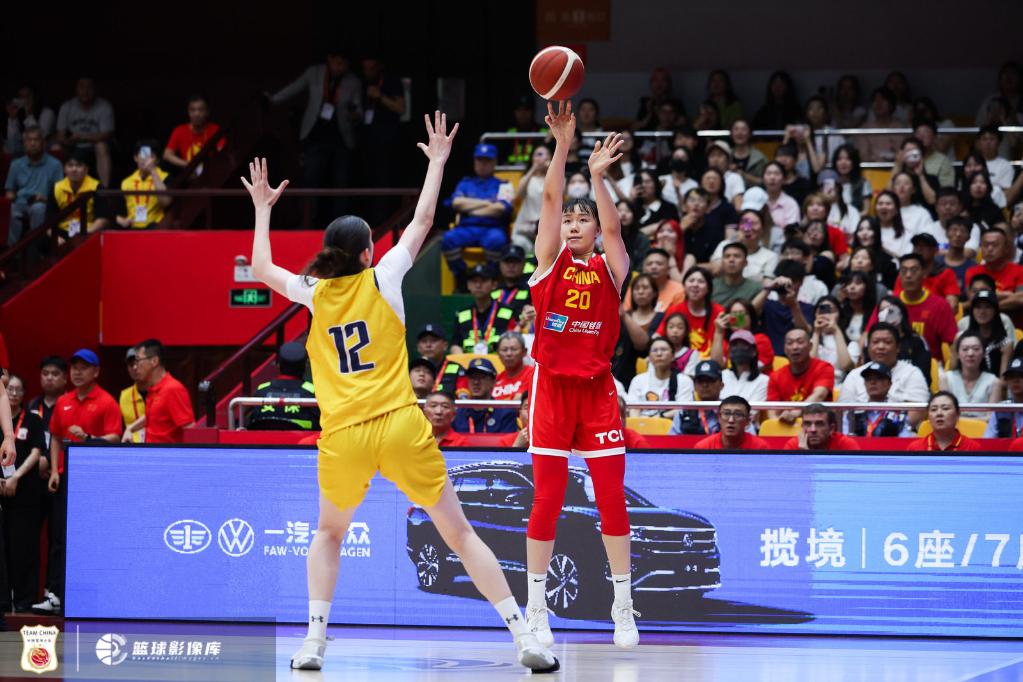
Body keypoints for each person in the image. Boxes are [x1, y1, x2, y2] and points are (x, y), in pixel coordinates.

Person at [244, 112, 557, 671]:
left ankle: (313, 642)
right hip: (399, 425)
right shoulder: (384, 275)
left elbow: (261, 265)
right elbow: (424, 218)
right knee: (460, 534)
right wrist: (437, 161)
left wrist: (263, 209)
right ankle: (524, 636)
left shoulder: (314, 292)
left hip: (344, 435)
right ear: (368, 252)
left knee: (329, 535)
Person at [524, 100, 638, 650]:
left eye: (581, 219)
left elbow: (614, 226)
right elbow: (549, 199)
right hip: (551, 390)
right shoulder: (548, 262)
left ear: (594, 228)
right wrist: (563, 146)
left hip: (596, 393)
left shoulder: (610, 267)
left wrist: (596, 178)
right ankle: (536, 607)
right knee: (546, 500)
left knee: (611, 498)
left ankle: (623, 604)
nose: (572, 224)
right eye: (568, 220)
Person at [41, 348, 122, 616]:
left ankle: (91, 593)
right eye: (74, 367)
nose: (77, 372)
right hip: (65, 477)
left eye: (83, 367)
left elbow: (115, 437)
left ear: (96, 372)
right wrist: (55, 470)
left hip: (94, 481)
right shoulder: (64, 401)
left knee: (89, 537)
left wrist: (88, 438)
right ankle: (54, 594)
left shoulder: (107, 402)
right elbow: (55, 437)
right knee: (59, 536)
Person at [269, 50, 362, 220]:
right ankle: (309, 221)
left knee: (341, 182)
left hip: (342, 139)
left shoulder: (353, 81)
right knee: (311, 179)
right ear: (330, 59)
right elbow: (295, 87)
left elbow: (359, 111)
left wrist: (354, 113)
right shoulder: (315, 73)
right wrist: (273, 99)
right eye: (338, 63)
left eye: (344, 64)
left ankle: (341, 223)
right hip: (315, 136)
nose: (340, 67)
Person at [2, 375, 44, 612]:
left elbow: (37, 452)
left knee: (24, 547)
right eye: (9, 389)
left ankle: (24, 601)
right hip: (1, 489)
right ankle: (3, 601)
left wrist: (15, 477)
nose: (14, 393)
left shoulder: (33, 419)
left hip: (25, 492)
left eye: (18, 390)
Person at [441, 143, 513, 282]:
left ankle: (490, 280)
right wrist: (487, 203)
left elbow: (500, 209)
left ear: (494, 162)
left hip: (492, 228)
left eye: (487, 160)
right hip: (467, 228)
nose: (483, 164)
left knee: (497, 240)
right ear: (474, 161)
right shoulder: (465, 183)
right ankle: (463, 278)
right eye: (479, 160)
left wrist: (469, 209)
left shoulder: (504, 185)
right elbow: (456, 203)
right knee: (448, 238)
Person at [839, 323, 930, 428]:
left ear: (898, 347)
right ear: (868, 347)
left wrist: (885, 430)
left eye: (887, 342)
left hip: (899, 434)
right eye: (875, 342)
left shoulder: (912, 373)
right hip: (859, 433)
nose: (881, 346)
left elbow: (916, 413)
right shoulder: (855, 375)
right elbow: (843, 413)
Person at [870, 254, 957, 363]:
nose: (908, 275)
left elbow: (952, 342)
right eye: (904, 271)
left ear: (924, 273)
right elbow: (870, 333)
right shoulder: (888, 304)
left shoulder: (940, 305)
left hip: (929, 365)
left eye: (914, 270)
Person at [121, 339, 194, 443]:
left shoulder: (172, 389)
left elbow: (190, 429)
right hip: (150, 451)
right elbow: (154, 416)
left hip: (165, 453)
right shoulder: (153, 389)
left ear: (154, 361)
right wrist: (131, 428)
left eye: (138, 360)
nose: (135, 367)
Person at [5, 126, 63, 244]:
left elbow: (60, 193)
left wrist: (45, 199)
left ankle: (36, 246)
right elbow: (9, 190)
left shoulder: (55, 164)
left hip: (43, 202)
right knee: (9, 209)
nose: (32, 143)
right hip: (20, 202)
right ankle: (13, 249)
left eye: (36, 140)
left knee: (38, 208)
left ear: (43, 143)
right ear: (24, 144)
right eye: (29, 140)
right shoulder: (16, 164)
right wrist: (9, 197)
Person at [54, 77, 114, 186]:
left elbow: (106, 134)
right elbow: (60, 135)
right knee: (56, 147)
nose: (85, 91)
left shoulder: (104, 106)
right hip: (74, 146)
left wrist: (82, 137)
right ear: (77, 89)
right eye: (82, 87)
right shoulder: (67, 106)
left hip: (93, 147)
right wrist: (67, 140)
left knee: (101, 146)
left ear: (94, 89)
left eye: (89, 87)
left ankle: (105, 189)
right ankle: (59, 188)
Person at [246, 342, 319, 430]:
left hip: (263, 439)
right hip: (303, 439)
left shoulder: (261, 390)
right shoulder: (314, 393)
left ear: (279, 364)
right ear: (305, 366)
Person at [767, 328, 835, 424]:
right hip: (786, 426)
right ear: (785, 349)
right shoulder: (776, 376)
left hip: (818, 426)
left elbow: (819, 395)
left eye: (800, 342)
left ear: (810, 346)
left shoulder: (824, 368)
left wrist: (796, 413)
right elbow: (772, 412)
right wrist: (777, 425)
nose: (795, 347)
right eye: (790, 343)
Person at [657, 266, 724, 357]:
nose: (695, 285)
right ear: (684, 286)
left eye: (701, 281)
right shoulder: (674, 310)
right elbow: (660, 335)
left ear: (709, 288)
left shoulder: (719, 311)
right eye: (691, 281)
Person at [451, 264, 516, 354]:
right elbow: (455, 345)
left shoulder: (508, 313)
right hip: (470, 362)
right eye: (474, 281)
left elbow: (515, 342)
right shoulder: (461, 315)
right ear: (468, 285)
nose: (478, 285)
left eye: (483, 281)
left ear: (494, 284)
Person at [626, 337, 695, 418]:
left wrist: (658, 418)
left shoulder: (684, 381)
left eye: (664, 350)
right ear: (649, 357)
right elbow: (633, 409)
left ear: (673, 356)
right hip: (642, 424)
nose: (659, 354)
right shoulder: (638, 380)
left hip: (672, 424)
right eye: (654, 350)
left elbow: (683, 409)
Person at [842, 361, 914, 437]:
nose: (873, 382)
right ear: (864, 383)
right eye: (869, 379)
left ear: (889, 384)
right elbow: (844, 439)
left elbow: (905, 440)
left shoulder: (899, 415)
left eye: (879, 378)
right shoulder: (853, 414)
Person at [709, 207, 777, 283]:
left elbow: (767, 283)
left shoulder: (770, 256)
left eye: (754, 223)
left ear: (762, 229)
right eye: (745, 223)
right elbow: (716, 272)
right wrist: (735, 243)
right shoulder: (724, 245)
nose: (748, 228)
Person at [760, 259, 814, 355]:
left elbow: (805, 331)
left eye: (793, 281)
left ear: (801, 282)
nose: (787, 286)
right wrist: (769, 288)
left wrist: (793, 305)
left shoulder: (807, 308)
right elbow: (747, 313)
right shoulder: (767, 305)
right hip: (768, 357)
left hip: (794, 357)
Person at [452, 355, 519, 433]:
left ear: (493, 382)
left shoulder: (505, 413)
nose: (476, 382)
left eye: (481, 377)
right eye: (472, 377)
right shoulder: (456, 413)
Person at [894, 233, 960, 311]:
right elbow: (896, 302)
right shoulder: (905, 274)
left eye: (924, 246)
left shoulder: (946, 273)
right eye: (916, 246)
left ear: (935, 250)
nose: (919, 249)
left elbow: (952, 305)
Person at [966, 228, 1023, 315]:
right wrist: (1008, 295)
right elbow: (973, 299)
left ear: (1006, 248)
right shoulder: (973, 272)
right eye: (986, 245)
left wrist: (987, 305)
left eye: (995, 245)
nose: (989, 249)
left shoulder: (1019, 271)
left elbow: (1020, 299)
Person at [941, 332, 997, 420]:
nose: (970, 353)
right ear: (958, 354)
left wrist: (967, 423)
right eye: (965, 349)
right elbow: (944, 414)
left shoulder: (994, 382)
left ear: (983, 353)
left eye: (976, 349)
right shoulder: (946, 379)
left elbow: (991, 418)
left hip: (982, 428)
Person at [116, 140, 171, 229]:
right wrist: (122, 220)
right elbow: (117, 214)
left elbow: (165, 203)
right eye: (143, 155)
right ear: (135, 158)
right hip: (132, 228)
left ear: (157, 160)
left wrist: (153, 171)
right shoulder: (126, 182)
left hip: (156, 227)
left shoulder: (165, 177)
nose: (146, 160)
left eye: (151, 156)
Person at [51, 150, 107, 238]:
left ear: (86, 169)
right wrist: (57, 239)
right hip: (63, 232)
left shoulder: (96, 187)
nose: (74, 169)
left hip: (88, 231)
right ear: (64, 169)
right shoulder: (56, 188)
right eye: (70, 165)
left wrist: (85, 234)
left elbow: (102, 218)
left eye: (79, 165)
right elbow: (49, 221)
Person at [163, 94, 225, 172]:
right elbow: (167, 155)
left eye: (201, 110)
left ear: (207, 112)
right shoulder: (180, 131)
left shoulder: (215, 129)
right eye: (192, 110)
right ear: (188, 112)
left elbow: (222, 152)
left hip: (213, 171)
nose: (196, 114)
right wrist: (188, 165)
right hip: (191, 174)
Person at [961, 289, 1013, 377]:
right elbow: (953, 373)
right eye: (978, 307)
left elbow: (1003, 380)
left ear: (995, 310)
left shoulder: (1005, 344)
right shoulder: (961, 339)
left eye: (988, 307)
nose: (982, 311)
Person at [908, 392, 983, 452]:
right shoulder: (915, 448)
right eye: (934, 409)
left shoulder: (973, 448)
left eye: (945, 408)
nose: (939, 413)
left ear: (957, 414)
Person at [511, 145, 550, 252]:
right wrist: (533, 168)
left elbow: (561, 190)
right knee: (520, 245)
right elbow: (519, 194)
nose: (543, 158)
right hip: (525, 227)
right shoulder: (527, 178)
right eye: (539, 154)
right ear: (532, 158)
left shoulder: (554, 178)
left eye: (547, 155)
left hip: (547, 228)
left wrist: (552, 168)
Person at [810, 296, 858, 382]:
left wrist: (836, 330)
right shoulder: (810, 340)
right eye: (821, 311)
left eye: (830, 311)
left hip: (838, 386)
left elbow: (846, 366)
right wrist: (816, 332)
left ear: (839, 314)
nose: (825, 315)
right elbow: (808, 365)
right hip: (814, 384)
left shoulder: (851, 344)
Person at [670, 360, 724, 435]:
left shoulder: (730, 411)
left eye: (710, 380)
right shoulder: (684, 411)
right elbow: (672, 439)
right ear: (694, 386)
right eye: (700, 381)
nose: (705, 385)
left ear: (721, 385)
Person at [693, 396, 770, 449]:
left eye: (738, 414)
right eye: (726, 414)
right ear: (719, 418)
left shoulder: (760, 448)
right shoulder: (703, 448)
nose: (731, 420)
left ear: (747, 421)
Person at [624, 248, 684, 312]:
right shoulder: (636, 288)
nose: (654, 267)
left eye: (659, 264)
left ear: (668, 269)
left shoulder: (679, 289)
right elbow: (626, 312)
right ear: (643, 269)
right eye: (649, 264)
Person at [783, 403, 859, 451]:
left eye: (819, 424)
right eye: (808, 424)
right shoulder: (793, 446)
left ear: (831, 429)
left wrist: (807, 456)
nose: (813, 430)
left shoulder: (846, 445)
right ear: (802, 427)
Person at [4, 84, 55, 155]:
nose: (25, 99)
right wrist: (12, 117)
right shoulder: (20, 113)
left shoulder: (47, 112)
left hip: (43, 151)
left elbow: (38, 138)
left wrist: (29, 113)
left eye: (28, 96)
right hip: (26, 151)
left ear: (35, 97)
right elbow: (13, 144)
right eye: (22, 97)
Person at [711, 242, 765, 308]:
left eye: (737, 256)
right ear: (722, 262)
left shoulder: (755, 288)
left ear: (745, 263)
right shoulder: (711, 285)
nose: (731, 260)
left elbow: (754, 313)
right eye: (727, 256)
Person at [857, 87, 902, 162]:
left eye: (883, 99)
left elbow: (901, 154)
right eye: (875, 100)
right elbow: (863, 156)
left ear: (891, 104)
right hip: (871, 168)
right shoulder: (864, 129)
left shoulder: (900, 128)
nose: (878, 103)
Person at [984, 357, 1023, 438]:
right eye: (1011, 377)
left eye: (1021, 376)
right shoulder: (1001, 410)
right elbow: (988, 440)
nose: (1015, 380)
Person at [838, 271, 877, 348]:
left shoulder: (875, 314)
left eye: (858, 283)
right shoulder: (840, 313)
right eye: (849, 283)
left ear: (868, 287)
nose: (852, 287)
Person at [492, 244, 533, 318]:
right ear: (500, 264)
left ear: (523, 264)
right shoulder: (491, 288)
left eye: (516, 262)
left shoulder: (532, 288)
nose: (511, 265)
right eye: (507, 261)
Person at [939, 217, 977, 295]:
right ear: (946, 233)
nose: (958, 234)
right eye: (954, 230)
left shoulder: (973, 267)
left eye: (963, 231)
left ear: (969, 237)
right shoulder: (935, 263)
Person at [492, 332, 533, 401]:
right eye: (504, 350)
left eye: (514, 349)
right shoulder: (496, 379)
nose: (509, 354)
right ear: (498, 353)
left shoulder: (533, 375)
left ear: (524, 352)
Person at [833, 144, 873, 214]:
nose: (843, 162)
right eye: (839, 159)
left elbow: (865, 211)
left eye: (848, 159)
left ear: (854, 162)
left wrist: (852, 218)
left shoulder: (862, 183)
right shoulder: (830, 183)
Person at [118, 347, 146, 442]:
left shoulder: (164, 391)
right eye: (131, 364)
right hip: (134, 448)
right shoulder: (124, 396)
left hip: (161, 448)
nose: (135, 367)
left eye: (138, 363)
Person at [975, 125, 1014, 193]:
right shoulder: (972, 164)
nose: (988, 143)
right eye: (984, 139)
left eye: (992, 139)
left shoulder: (1005, 166)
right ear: (979, 143)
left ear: (998, 143)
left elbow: (1006, 193)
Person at [762, 161, 800, 230]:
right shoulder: (756, 200)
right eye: (768, 173)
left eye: (777, 174)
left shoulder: (790, 203)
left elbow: (792, 232)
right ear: (763, 178)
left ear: (784, 179)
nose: (772, 177)